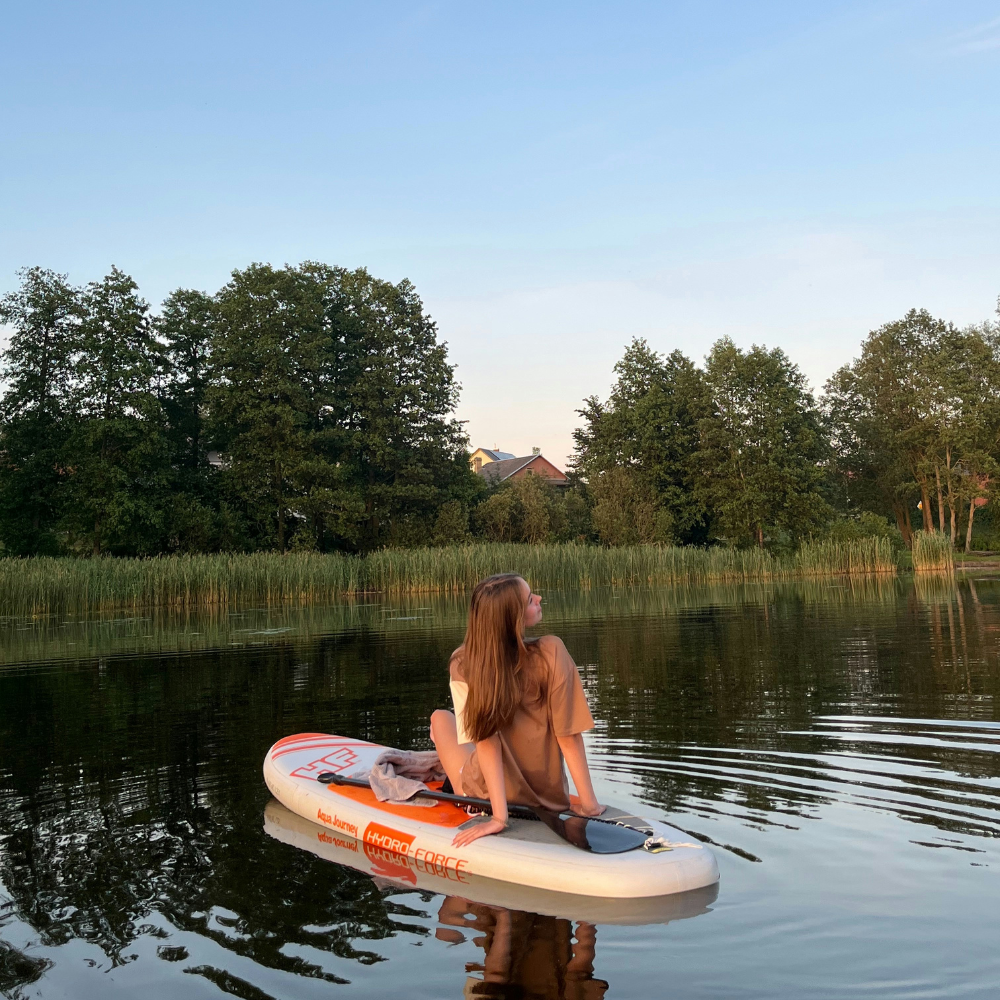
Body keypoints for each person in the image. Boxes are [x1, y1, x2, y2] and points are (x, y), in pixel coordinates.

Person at [430, 573, 605, 849]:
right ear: (511, 618)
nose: (538, 599)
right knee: (446, 720)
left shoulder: (462, 662)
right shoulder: (552, 651)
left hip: (485, 797)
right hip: (549, 800)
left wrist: (499, 818)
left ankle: (450, 773)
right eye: (529, 599)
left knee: (440, 719)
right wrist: (589, 806)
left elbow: (486, 741)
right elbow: (568, 736)